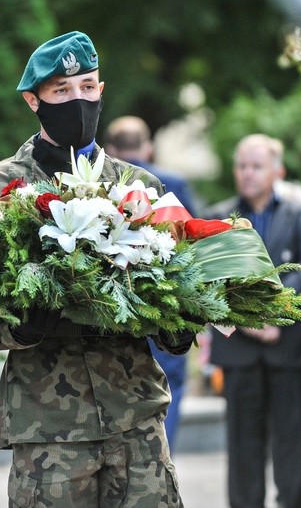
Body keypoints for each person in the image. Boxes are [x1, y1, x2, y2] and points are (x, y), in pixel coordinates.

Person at [0, 31, 192, 507]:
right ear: (33, 101)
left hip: (136, 421)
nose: (77, 100)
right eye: (61, 91)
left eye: (87, 87)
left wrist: (177, 326)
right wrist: (21, 328)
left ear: (101, 91)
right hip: (49, 430)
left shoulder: (139, 185)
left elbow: (179, 282)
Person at [205, 134, 301, 508]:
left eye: (257, 166)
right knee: (242, 445)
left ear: (278, 171)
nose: (247, 173)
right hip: (239, 350)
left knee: (293, 441)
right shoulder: (216, 217)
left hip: (288, 349)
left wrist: (274, 317)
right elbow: (208, 277)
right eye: (242, 165)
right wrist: (246, 321)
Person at [104, 115, 198, 453]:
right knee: (169, 385)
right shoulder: (172, 181)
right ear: (149, 147)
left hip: (113, 307)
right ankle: (162, 454)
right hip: (162, 305)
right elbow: (192, 239)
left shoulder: (103, 186)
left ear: (111, 149)